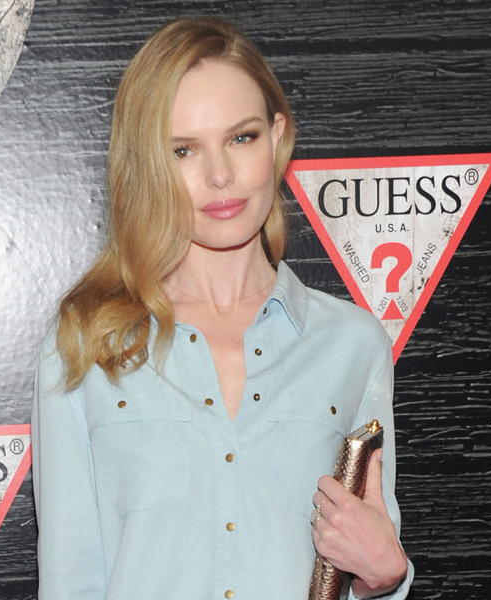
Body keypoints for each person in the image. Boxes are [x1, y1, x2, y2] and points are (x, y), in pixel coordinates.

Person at [31, 16, 412, 599]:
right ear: (148, 165)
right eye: (183, 149)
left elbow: (360, 561)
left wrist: (384, 578)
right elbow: (70, 580)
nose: (219, 175)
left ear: (277, 138)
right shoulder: (85, 345)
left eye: (241, 138)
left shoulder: (353, 344)